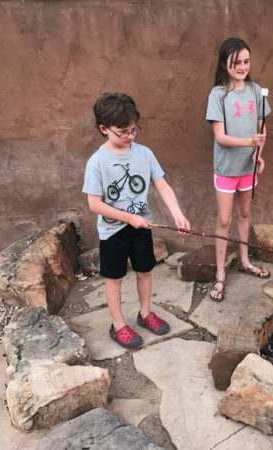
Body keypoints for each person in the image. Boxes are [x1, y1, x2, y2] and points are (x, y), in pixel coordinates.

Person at [83, 92, 190, 349]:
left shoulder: (144, 154)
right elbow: (94, 204)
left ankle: (145, 313)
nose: (131, 136)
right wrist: (128, 217)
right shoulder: (97, 162)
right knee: (114, 278)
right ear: (104, 129)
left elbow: (162, 185)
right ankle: (118, 325)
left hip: (142, 228)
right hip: (113, 233)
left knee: (145, 271)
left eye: (134, 130)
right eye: (124, 132)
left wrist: (177, 212)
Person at [205, 37, 272, 302]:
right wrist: (249, 142)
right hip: (226, 168)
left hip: (248, 168)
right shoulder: (217, 94)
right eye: (236, 62)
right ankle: (220, 274)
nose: (242, 67)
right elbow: (220, 137)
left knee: (244, 213)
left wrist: (258, 155)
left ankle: (244, 261)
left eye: (246, 61)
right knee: (224, 219)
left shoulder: (256, 90)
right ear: (224, 63)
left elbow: (261, 128)